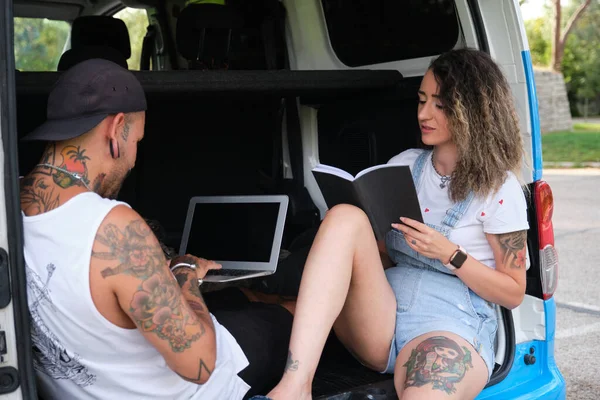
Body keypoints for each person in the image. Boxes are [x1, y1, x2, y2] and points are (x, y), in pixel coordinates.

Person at [261, 48, 530, 400]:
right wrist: (357, 243)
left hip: (449, 326)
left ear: (473, 111)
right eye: (421, 100)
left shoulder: (499, 188)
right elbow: (387, 256)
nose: (423, 113)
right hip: (382, 315)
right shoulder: (404, 165)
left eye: (440, 104)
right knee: (345, 217)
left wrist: (451, 255)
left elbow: (512, 293)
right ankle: (296, 386)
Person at [20, 58, 295, 400]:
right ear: (116, 128)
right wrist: (184, 271)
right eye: (137, 140)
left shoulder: (10, 204)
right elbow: (199, 364)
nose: (134, 159)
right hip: (193, 388)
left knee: (242, 297)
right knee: (292, 313)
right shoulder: (112, 228)